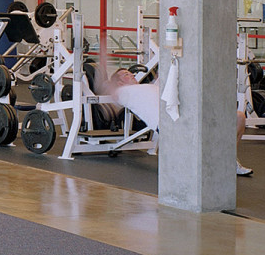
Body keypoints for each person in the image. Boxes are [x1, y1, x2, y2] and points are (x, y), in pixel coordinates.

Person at [96, 67, 251, 177]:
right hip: (170, 123)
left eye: (130, 73)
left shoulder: (148, 86)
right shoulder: (122, 93)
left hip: (187, 113)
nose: (131, 75)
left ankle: (229, 162)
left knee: (238, 117)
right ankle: (213, 165)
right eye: (125, 74)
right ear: (118, 83)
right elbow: (105, 90)